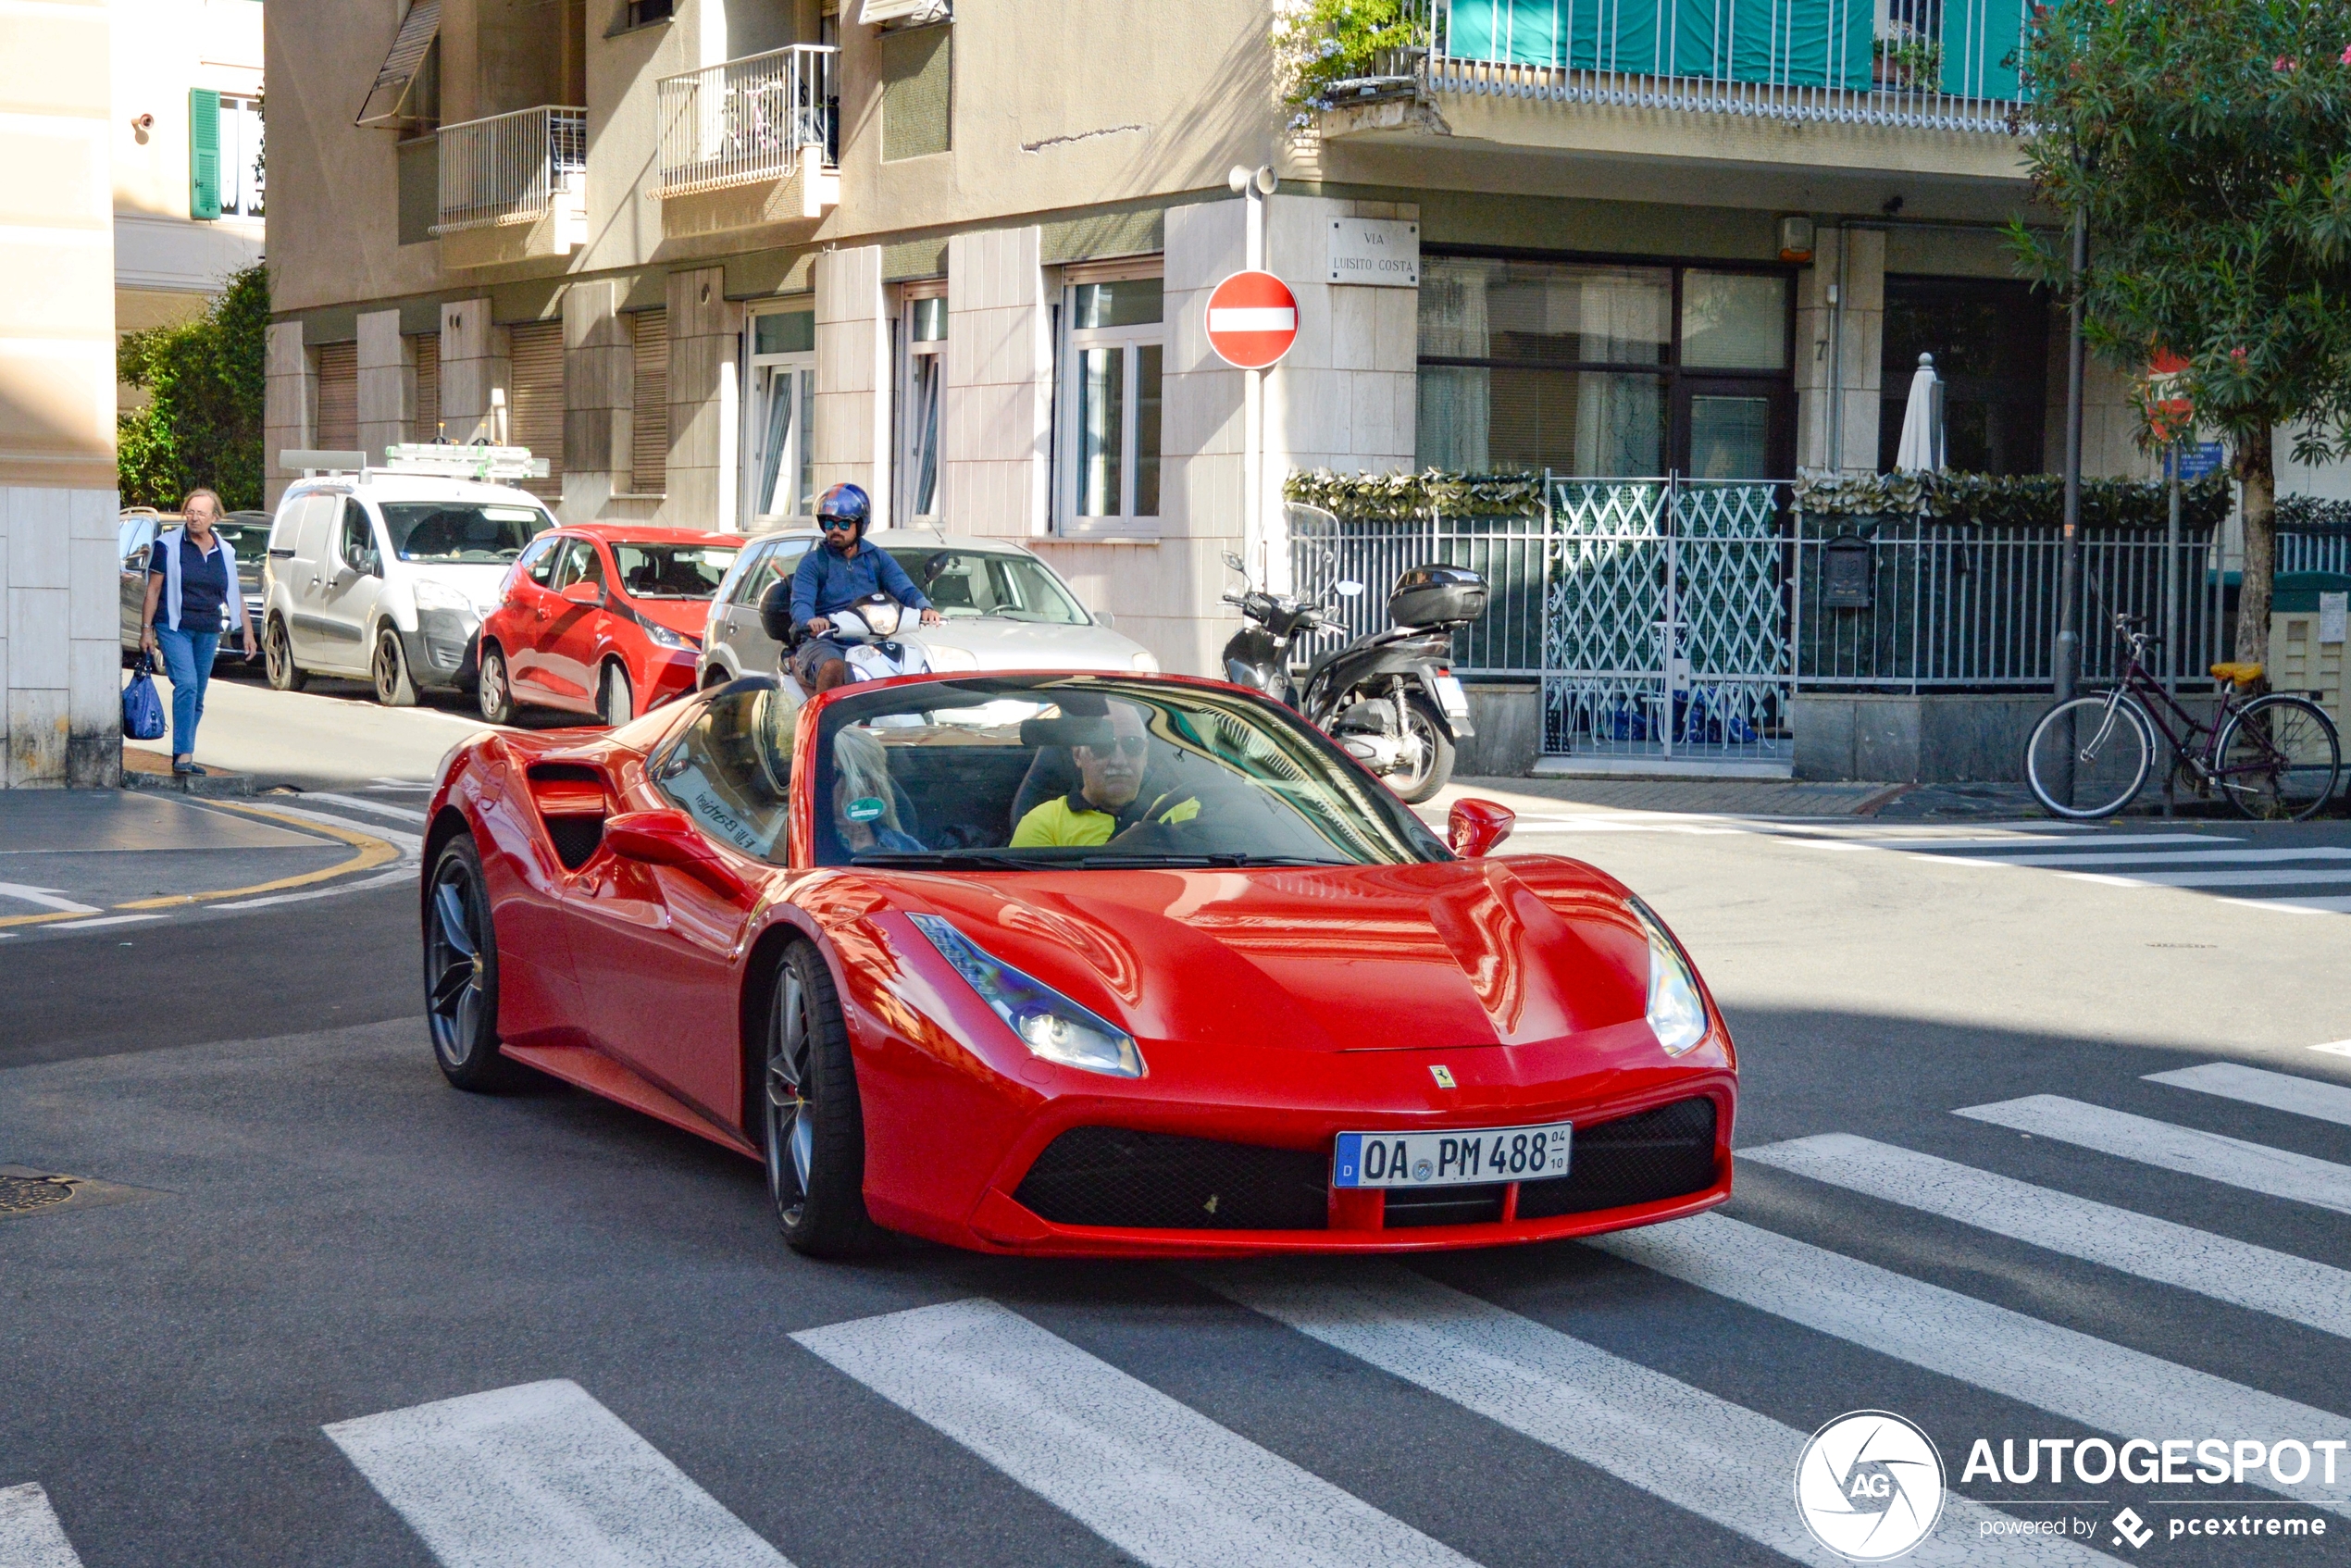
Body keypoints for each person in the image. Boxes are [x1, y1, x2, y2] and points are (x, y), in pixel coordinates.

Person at [140, 487, 255, 774]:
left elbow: (235, 592)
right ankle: (182, 756)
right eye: (189, 512)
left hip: (208, 628)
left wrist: (249, 632)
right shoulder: (167, 545)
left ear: (214, 517)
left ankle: (185, 752)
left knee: (198, 694)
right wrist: (146, 630)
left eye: (201, 513)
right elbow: (153, 590)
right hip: (174, 625)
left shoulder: (224, 550)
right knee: (187, 684)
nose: (193, 518)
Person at [787, 483, 940, 693]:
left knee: (905, 668)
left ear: (860, 524)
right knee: (833, 668)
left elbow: (905, 589)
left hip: (870, 642)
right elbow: (801, 602)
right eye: (829, 523)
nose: (835, 530)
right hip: (826, 643)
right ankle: (824, 725)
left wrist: (925, 608)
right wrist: (810, 621)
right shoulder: (813, 562)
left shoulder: (877, 557)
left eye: (843, 524)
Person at [1011, 701, 1200, 847]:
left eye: (1132, 744)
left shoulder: (1181, 807)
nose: (1119, 760)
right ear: (1078, 755)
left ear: (1145, 754)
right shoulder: (1044, 822)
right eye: (1102, 746)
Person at [830, 727, 926, 855]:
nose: (816, 783)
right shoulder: (800, 846)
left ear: (868, 786)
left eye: (829, 774)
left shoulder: (910, 850)